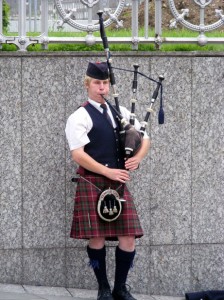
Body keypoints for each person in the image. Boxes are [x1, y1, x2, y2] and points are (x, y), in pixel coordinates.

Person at [65, 61, 150, 300]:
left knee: (128, 238)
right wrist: (107, 171)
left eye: (105, 83)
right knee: (97, 237)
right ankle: (102, 288)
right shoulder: (79, 116)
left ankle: (120, 288)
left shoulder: (120, 112)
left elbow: (144, 138)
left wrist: (137, 159)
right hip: (93, 182)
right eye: (96, 83)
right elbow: (77, 154)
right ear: (87, 84)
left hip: (118, 183)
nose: (101, 87)